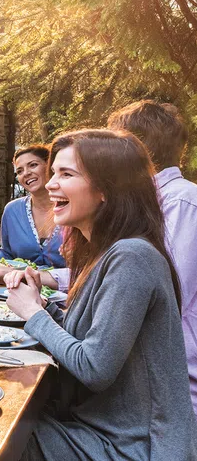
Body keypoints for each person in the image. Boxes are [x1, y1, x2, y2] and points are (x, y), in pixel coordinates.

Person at [4, 129, 197, 460]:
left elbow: (94, 367)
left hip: (133, 447)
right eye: (53, 173)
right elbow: (92, 337)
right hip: (98, 430)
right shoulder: (104, 252)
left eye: (66, 174)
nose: (50, 184)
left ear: (107, 188)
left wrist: (34, 314)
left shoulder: (133, 255)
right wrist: (43, 304)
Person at [107, 99, 197, 414]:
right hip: (145, 378)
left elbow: (163, 294)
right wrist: (47, 278)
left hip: (175, 393)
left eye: (113, 144)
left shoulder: (184, 203)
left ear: (135, 150)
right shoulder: (152, 202)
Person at [0, 145, 66, 287]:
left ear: (50, 167)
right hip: (19, 289)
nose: (26, 173)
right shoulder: (12, 210)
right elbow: (7, 254)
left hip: (67, 294)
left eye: (33, 165)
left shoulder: (72, 209)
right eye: (20, 171)